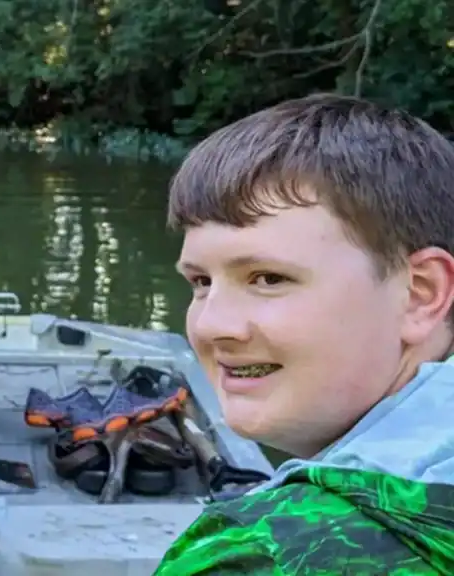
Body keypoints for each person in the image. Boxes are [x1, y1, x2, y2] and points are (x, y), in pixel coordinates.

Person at [153, 94, 454, 574]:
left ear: (419, 293)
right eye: (201, 282)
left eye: (268, 278)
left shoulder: (258, 556)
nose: (211, 326)